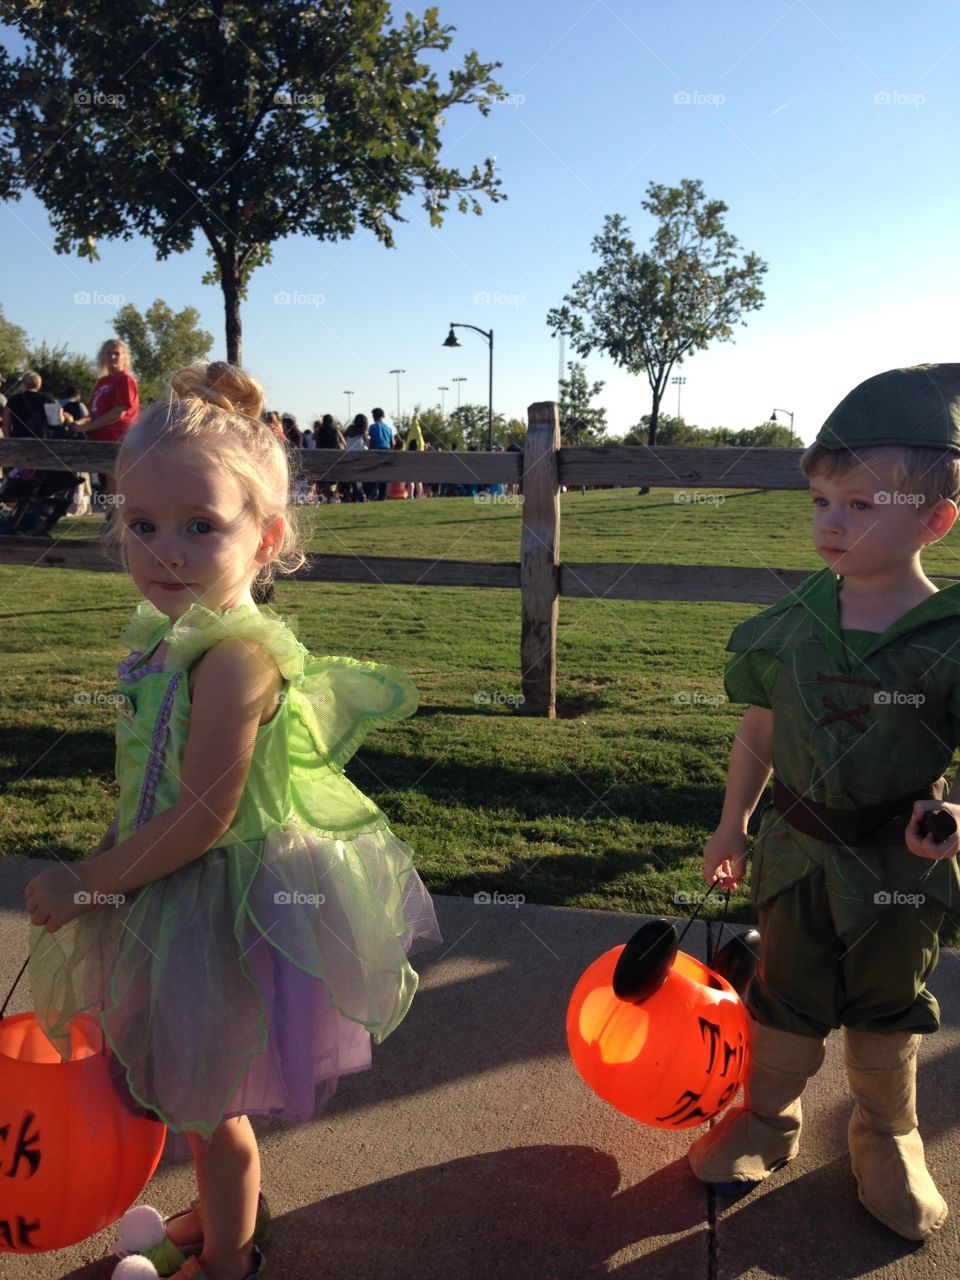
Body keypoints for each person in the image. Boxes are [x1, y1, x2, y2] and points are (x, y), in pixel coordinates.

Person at [25, 360, 441, 1280]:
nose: (164, 550)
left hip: (231, 904)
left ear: (266, 539)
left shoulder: (235, 662)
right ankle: (220, 1218)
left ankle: (232, 1258)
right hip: (165, 885)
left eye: (201, 526)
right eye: (142, 525)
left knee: (214, 1104)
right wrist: (103, 860)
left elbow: (207, 817)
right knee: (186, 1085)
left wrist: (92, 884)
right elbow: (149, 787)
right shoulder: (162, 642)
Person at [687, 363, 960, 1244]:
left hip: (896, 869)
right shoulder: (795, 621)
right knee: (784, 990)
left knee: (888, 1004)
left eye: (858, 504)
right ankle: (769, 1118)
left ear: (935, 520)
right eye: (819, 502)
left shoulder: (951, 639)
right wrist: (732, 824)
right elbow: (757, 731)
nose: (828, 523)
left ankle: (887, 1134)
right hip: (796, 855)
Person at [73, 338, 140, 518]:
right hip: (100, 440)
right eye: (108, 353)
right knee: (108, 483)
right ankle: (113, 521)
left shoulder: (125, 380)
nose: (112, 357)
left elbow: (118, 412)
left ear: (124, 357)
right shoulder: (102, 382)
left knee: (116, 483)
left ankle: (118, 522)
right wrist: (81, 423)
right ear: (102, 357)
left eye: (116, 353)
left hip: (117, 439)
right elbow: (96, 413)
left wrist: (89, 427)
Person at [367, 407, 394, 500]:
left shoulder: (372, 427)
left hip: (376, 452)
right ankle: (382, 495)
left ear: (375, 416)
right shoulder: (389, 429)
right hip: (387, 452)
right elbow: (392, 443)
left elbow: (371, 442)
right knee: (384, 475)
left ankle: (372, 494)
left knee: (374, 474)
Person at [345, 413, 369, 502]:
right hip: (359, 460)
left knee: (356, 482)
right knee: (358, 482)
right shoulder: (362, 434)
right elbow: (363, 447)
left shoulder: (350, 430)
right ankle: (361, 496)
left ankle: (357, 496)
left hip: (348, 459)